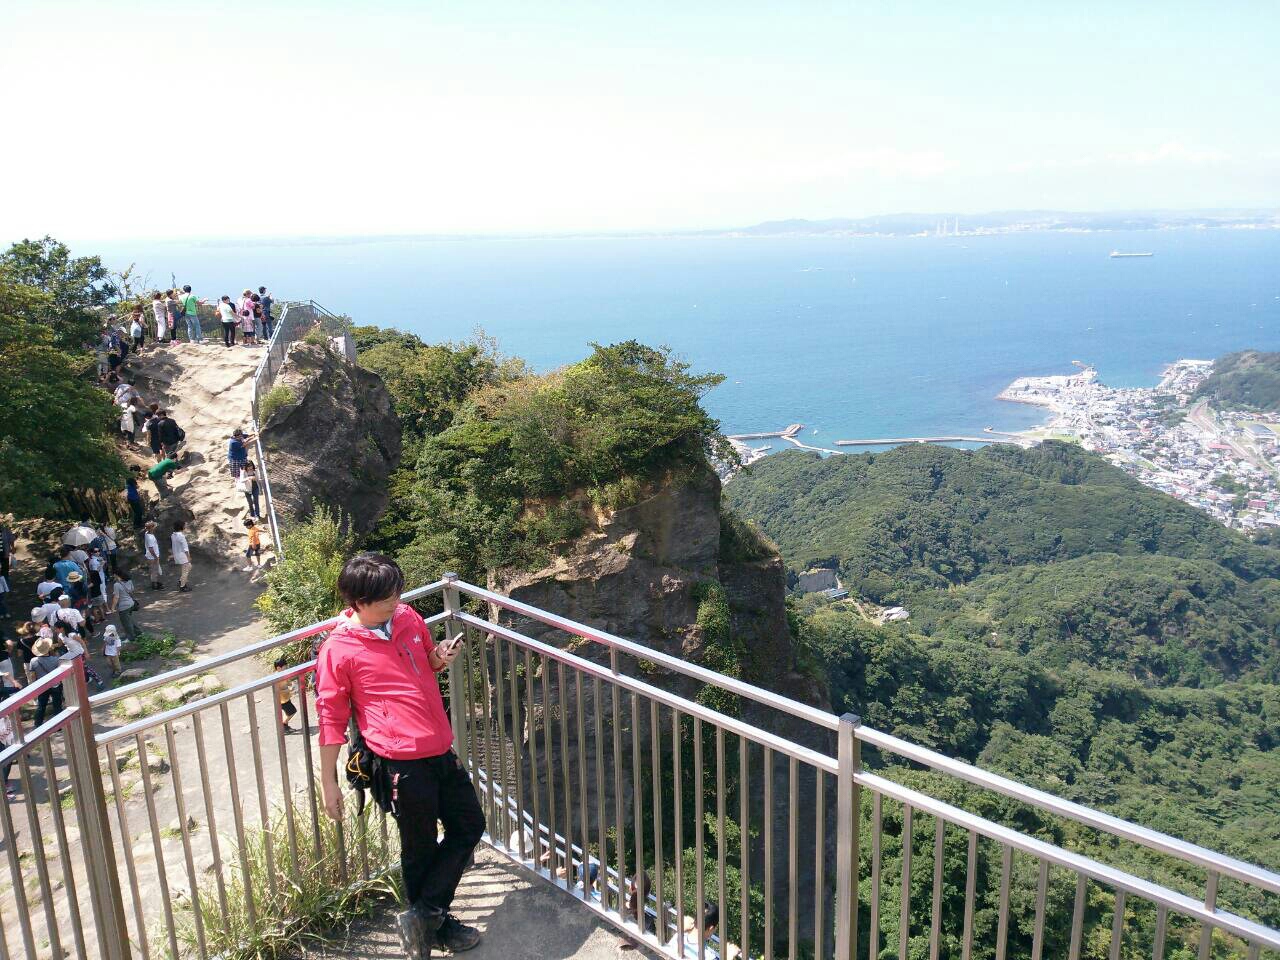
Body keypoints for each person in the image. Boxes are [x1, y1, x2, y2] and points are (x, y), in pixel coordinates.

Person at [316, 553, 484, 957]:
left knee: (469, 825)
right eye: (386, 597)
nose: (396, 601)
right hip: (399, 763)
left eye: (397, 591)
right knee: (420, 847)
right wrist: (328, 782)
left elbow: (426, 661)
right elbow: (330, 719)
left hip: (440, 747)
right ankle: (434, 926)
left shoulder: (408, 618)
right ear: (358, 601)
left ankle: (424, 915)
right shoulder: (339, 649)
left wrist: (439, 657)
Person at [30, 638, 64, 725]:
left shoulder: (33, 661)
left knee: (41, 706)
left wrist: (35, 686)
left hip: (42, 686)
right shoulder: (56, 659)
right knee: (57, 705)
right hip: (55, 685)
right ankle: (59, 725)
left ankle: (38, 723)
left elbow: (33, 676)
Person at [109, 570, 139, 642]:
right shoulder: (129, 581)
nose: (113, 576)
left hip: (124, 607)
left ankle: (130, 637)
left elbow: (116, 597)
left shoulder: (116, 585)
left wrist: (112, 608)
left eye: (114, 575)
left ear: (116, 575)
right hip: (131, 603)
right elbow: (132, 590)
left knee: (126, 623)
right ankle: (138, 632)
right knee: (130, 620)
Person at [272, 656, 298, 731]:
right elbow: (278, 690)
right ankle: (284, 724)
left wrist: (291, 684)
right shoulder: (277, 677)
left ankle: (284, 726)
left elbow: (288, 682)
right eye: (284, 667)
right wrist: (289, 690)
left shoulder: (283, 674)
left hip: (285, 698)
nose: (286, 669)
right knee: (292, 711)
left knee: (288, 712)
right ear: (278, 668)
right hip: (282, 700)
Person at [171, 521, 192, 592]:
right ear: (181, 527)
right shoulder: (181, 536)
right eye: (184, 525)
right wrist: (188, 557)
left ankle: (181, 581)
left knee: (189, 567)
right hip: (183, 555)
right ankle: (183, 586)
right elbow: (185, 548)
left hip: (177, 554)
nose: (185, 526)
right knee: (185, 571)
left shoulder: (173, 535)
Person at [143, 522, 163, 589]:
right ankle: (155, 585)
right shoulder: (150, 538)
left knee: (153, 570)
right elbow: (151, 549)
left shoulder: (146, 533)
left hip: (149, 556)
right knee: (155, 571)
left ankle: (154, 582)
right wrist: (155, 557)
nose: (155, 527)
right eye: (154, 526)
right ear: (151, 528)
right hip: (152, 557)